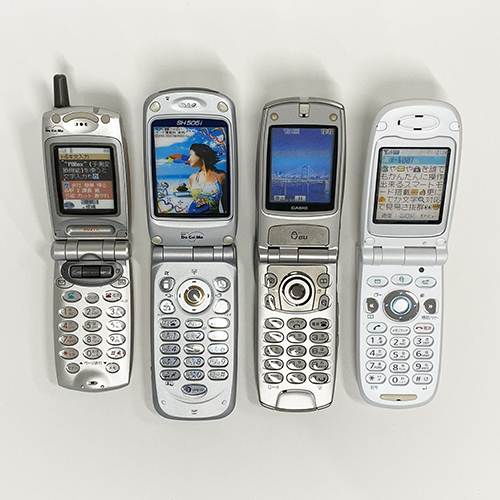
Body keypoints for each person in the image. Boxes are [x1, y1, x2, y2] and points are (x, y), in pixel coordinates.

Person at [186, 143, 227, 214]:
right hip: (193, 217)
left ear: (200, 154)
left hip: (213, 219)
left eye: (190, 155)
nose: (188, 159)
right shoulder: (192, 178)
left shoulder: (221, 176)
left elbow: (226, 204)